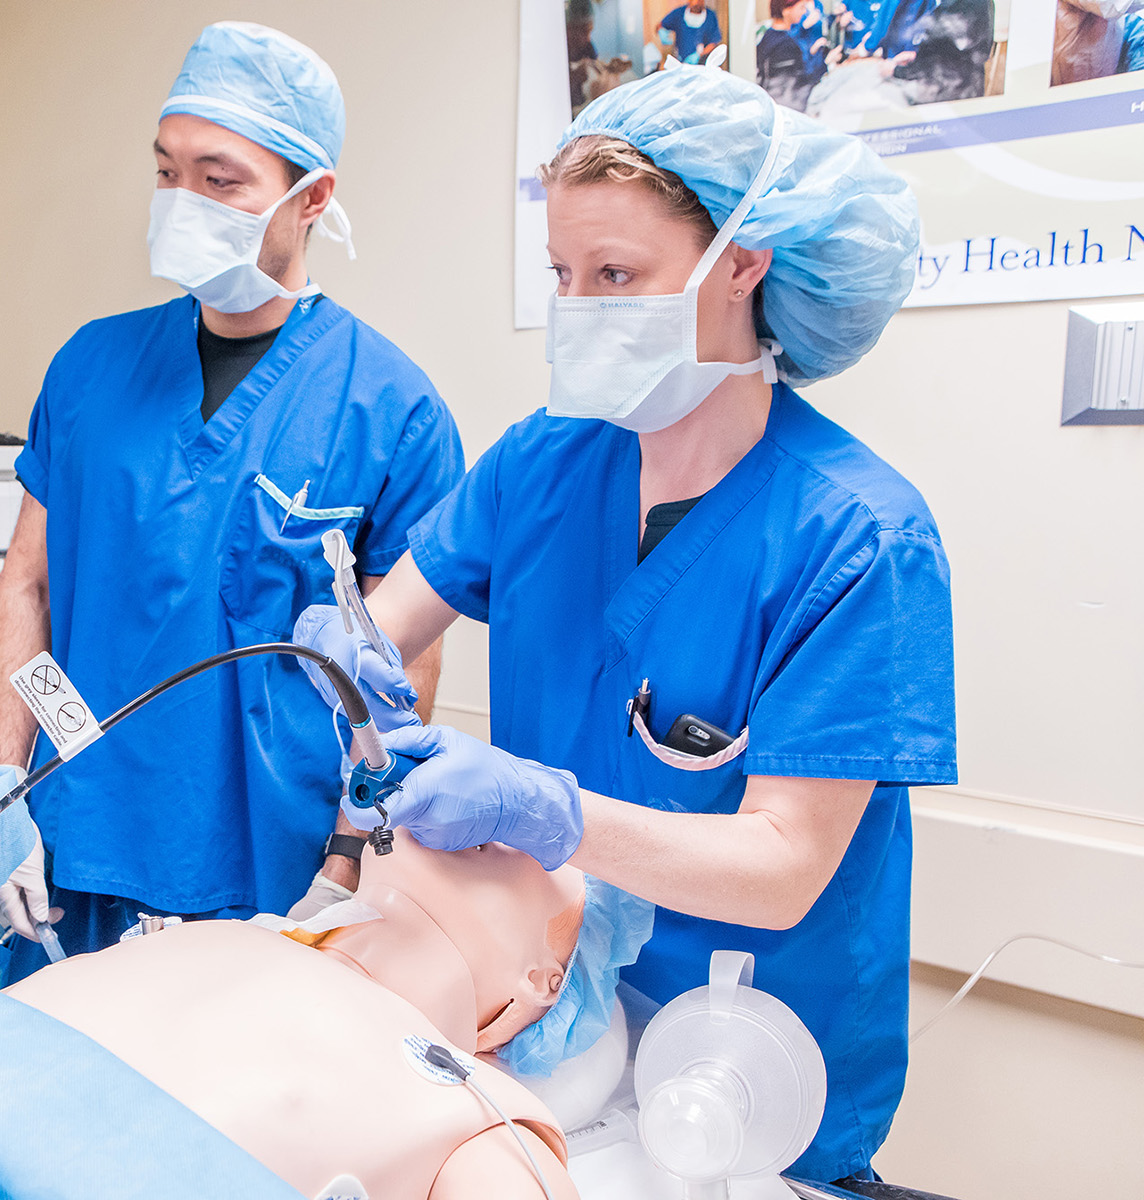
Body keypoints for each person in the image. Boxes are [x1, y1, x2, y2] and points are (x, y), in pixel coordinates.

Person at [296, 66, 954, 1183]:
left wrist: (537, 806)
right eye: (563, 274)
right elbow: (386, 621)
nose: (581, 309)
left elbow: (784, 865)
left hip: (737, 1073)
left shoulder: (858, 539)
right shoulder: (543, 466)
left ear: (742, 264)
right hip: (533, 1038)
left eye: (617, 275)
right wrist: (341, 646)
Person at [0, 22, 465, 984]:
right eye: (166, 172)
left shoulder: (391, 409)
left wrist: (345, 864)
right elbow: (30, 592)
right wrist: (5, 798)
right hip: (73, 849)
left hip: (266, 877)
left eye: (219, 179)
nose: (180, 202)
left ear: (312, 198)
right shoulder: (89, 369)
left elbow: (398, 681)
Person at [8, 830, 651, 1200]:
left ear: (543, 981)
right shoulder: (237, 936)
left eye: (542, 838)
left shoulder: (477, 1121)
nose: (499, 823)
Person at [757, 0, 830, 108]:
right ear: (786, 10)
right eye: (801, 7)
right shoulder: (784, 45)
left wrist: (813, 52)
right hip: (788, 108)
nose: (804, 11)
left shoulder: (770, 36)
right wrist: (827, 62)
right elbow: (801, 82)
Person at [656, 0, 724, 64]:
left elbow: (714, 41)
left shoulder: (710, 16)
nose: (696, 3)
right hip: (680, 62)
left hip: (702, 64)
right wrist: (662, 32)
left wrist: (700, 55)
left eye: (699, 0)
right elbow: (660, 25)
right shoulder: (679, 13)